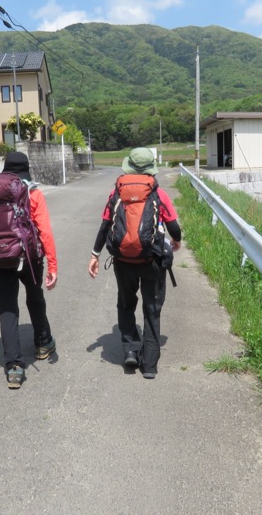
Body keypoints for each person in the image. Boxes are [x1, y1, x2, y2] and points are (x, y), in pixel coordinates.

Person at [87, 147, 182, 379]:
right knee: (151, 309)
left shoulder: (116, 192)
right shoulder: (158, 193)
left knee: (126, 304)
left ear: (129, 166)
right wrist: (176, 241)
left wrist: (95, 254)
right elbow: (173, 227)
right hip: (152, 259)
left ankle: (130, 350)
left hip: (123, 260)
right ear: (151, 168)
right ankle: (149, 365)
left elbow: (104, 226)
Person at [0, 151, 58, 389]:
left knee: (6, 306)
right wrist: (52, 264)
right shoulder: (33, 192)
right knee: (35, 297)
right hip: (29, 256)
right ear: (26, 169)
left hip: (0, 256)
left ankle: (13, 365)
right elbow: (44, 230)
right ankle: (43, 343)